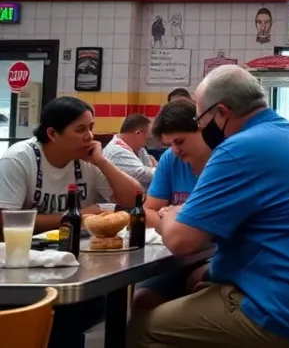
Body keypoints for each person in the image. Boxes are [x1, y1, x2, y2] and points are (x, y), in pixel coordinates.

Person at [130, 65, 289, 348]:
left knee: (143, 325)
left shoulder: (239, 148)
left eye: (202, 121)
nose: (201, 128)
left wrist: (168, 217)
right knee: (195, 283)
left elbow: (180, 240)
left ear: (222, 113)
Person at [0, 97, 143, 348]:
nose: (90, 136)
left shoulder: (89, 160)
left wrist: (101, 161)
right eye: (80, 130)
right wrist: (78, 216)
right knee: (62, 319)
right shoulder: (18, 160)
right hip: (22, 267)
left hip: (74, 263)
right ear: (52, 133)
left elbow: (134, 198)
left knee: (97, 303)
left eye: (91, 127)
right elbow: (6, 222)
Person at [134, 100, 211, 315]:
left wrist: (175, 218)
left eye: (180, 141)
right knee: (143, 300)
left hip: (215, 255)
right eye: (169, 144)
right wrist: (175, 223)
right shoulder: (171, 159)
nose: (175, 150)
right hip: (174, 258)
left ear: (201, 130)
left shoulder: (223, 160)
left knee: (197, 290)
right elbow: (148, 211)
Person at [103, 113, 157, 190]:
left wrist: (154, 167)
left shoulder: (139, 149)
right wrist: (156, 168)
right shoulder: (116, 151)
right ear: (138, 133)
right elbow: (145, 174)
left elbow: (151, 169)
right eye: (148, 134)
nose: (148, 139)